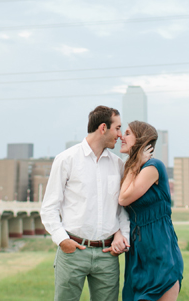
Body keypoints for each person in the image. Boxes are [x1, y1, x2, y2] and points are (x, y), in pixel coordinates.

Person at [40, 105, 131, 301]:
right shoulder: (66, 159)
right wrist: (62, 240)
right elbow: (49, 207)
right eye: (117, 128)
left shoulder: (118, 165)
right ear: (103, 128)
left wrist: (122, 235)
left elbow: (122, 208)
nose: (120, 134)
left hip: (108, 255)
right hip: (73, 251)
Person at [119, 121, 183, 301]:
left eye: (127, 133)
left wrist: (134, 163)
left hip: (159, 249)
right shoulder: (131, 170)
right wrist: (133, 163)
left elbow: (124, 198)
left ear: (140, 139)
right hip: (138, 252)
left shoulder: (154, 166)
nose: (121, 137)